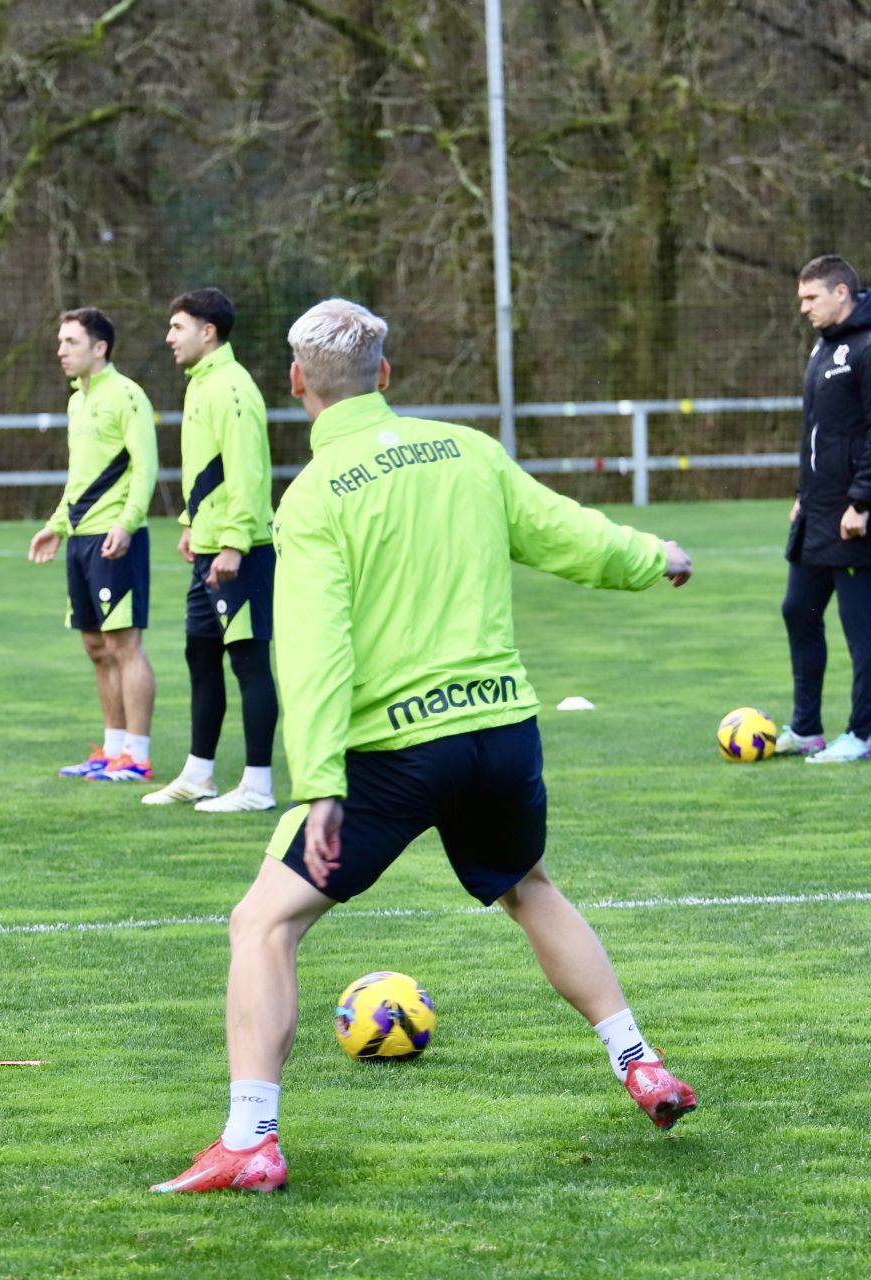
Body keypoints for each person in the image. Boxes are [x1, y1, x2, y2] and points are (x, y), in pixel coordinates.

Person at [152, 299, 698, 1196]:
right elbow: (565, 531)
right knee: (528, 888)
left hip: (396, 755)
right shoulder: (466, 451)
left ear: (295, 385)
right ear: (388, 376)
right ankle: (637, 1060)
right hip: (501, 732)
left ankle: (251, 1139)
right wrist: (651, 554)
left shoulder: (315, 494)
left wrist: (320, 782)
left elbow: (318, 649)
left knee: (261, 923)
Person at [144, 287, 279, 813]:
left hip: (238, 553)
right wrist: (190, 524)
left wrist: (233, 542)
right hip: (207, 546)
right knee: (201, 656)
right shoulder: (202, 383)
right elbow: (210, 468)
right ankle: (199, 774)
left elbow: (248, 471)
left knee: (248, 662)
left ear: (208, 331)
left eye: (177, 327)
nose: (168, 338)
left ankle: (258, 787)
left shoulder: (233, 386)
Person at [776, 254, 871, 763]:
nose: (804, 307)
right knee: (798, 610)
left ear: (840, 293)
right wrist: (801, 495)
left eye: (811, 298)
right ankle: (807, 728)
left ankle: (857, 735)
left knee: (859, 622)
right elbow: (817, 433)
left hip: (857, 516)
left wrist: (861, 502)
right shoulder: (824, 346)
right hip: (817, 510)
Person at [28, 308, 158, 783]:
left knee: (125, 645)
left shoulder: (127, 395)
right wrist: (56, 526)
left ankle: (138, 757)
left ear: (99, 347)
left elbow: (145, 467)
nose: (61, 350)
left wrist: (127, 523)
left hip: (114, 538)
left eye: (70, 342)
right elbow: (79, 478)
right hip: (80, 540)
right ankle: (113, 749)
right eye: (60, 342)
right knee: (95, 646)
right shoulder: (76, 402)